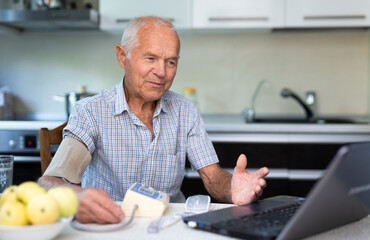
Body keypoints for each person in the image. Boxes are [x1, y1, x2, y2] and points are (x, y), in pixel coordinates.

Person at [38, 16, 269, 224]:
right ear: (122, 56)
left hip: (168, 227)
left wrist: (232, 190)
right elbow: (50, 182)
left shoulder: (185, 111)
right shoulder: (91, 111)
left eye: (171, 62)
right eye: (151, 58)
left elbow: (212, 177)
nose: (162, 72)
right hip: (110, 227)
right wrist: (76, 197)